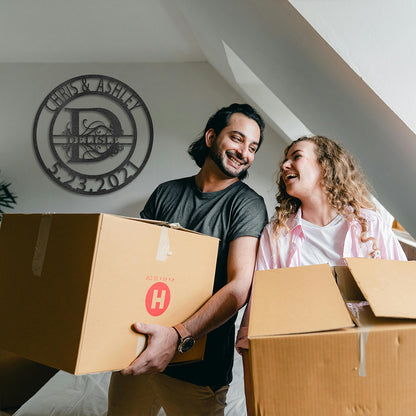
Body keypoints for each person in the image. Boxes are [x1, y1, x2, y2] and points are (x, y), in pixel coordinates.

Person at [107, 103, 268, 416]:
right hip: (138, 349)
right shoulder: (166, 193)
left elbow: (239, 287)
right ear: (211, 137)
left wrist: (178, 335)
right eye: (237, 139)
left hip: (199, 367)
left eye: (252, 147)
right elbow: (136, 266)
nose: (244, 152)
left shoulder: (247, 205)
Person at [236, 135, 407, 416]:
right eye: (285, 159)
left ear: (325, 166)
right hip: (302, 366)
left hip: (368, 364)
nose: (285, 165)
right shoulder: (277, 235)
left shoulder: (370, 225)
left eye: (296, 156)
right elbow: (258, 315)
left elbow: (403, 297)